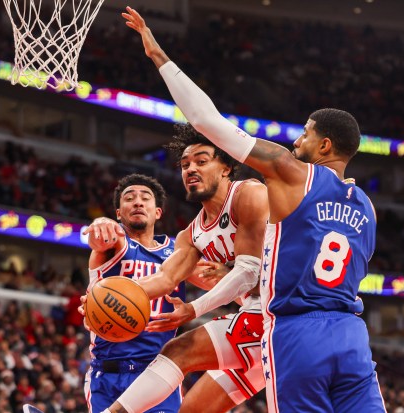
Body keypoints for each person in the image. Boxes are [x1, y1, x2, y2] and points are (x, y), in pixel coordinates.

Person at [121, 7, 384, 412]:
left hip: (294, 329)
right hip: (352, 333)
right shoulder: (366, 207)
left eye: (305, 134)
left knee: (184, 353)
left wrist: (160, 57)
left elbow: (205, 120)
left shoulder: (291, 173)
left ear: (325, 146)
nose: (298, 142)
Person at [98, 122, 269, 413]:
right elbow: (164, 278)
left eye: (202, 161)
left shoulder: (249, 194)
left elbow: (249, 272)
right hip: (260, 318)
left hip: (288, 313)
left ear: (226, 167)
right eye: (185, 164)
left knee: (179, 351)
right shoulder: (191, 236)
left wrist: (194, 309)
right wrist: (104, 295)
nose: (191, 169)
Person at [81, 173, 189, 413]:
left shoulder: (178, 254)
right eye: (129, 198)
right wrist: (101, 222)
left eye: (145, 198)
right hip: (107, 374)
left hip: (158, 373)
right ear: (119, 213)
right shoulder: (116, 245)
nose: (138, 202)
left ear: (157, 211)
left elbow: (214, 279)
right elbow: (99, 238)